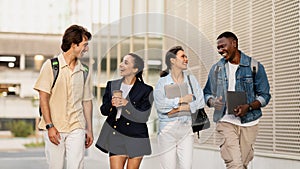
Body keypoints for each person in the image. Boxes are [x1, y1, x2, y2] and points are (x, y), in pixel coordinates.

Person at [203, 31, 271, 169]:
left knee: (243, 164)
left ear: (234, 43)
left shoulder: (255, 67)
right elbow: (207, 93)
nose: (220, 50)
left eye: (223, 46)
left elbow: (264, 95)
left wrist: (249, 107)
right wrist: (213, 102)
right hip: (225, 121)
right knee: (235, 164)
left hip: (249, 122)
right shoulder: (217, 68)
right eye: (218, 48)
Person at [34, 24, 93, 169]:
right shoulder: (51, 66)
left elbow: (87, 101)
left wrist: (89, 129)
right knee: (56, 166)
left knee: (77, 165)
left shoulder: (84, 70)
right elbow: (43, 99)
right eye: (84, 45)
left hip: (76, 126)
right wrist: (49, 126)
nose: (86, 49)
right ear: (74, 44)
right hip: (55, 128)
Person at [95, 53, 153, 169]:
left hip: (136, 135)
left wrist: (127, 104)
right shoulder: (112, 85)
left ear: (135, 69)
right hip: (116, 133)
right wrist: (111, 104)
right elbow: (104, 110)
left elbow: (143, 116)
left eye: (126, 63)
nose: (121, 65)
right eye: (121, 62)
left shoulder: (146, 90)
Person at [153, 46, 205, 169]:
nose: (186, 59)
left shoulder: (191, 80)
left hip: (186, 129)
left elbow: (200, 102)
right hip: (167, 130)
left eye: (186, 56)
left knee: (186, 166)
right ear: (172, 60)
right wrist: (182, 100)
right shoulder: (163, 82)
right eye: (182, 56)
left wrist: (177, 109)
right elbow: (161, 105)